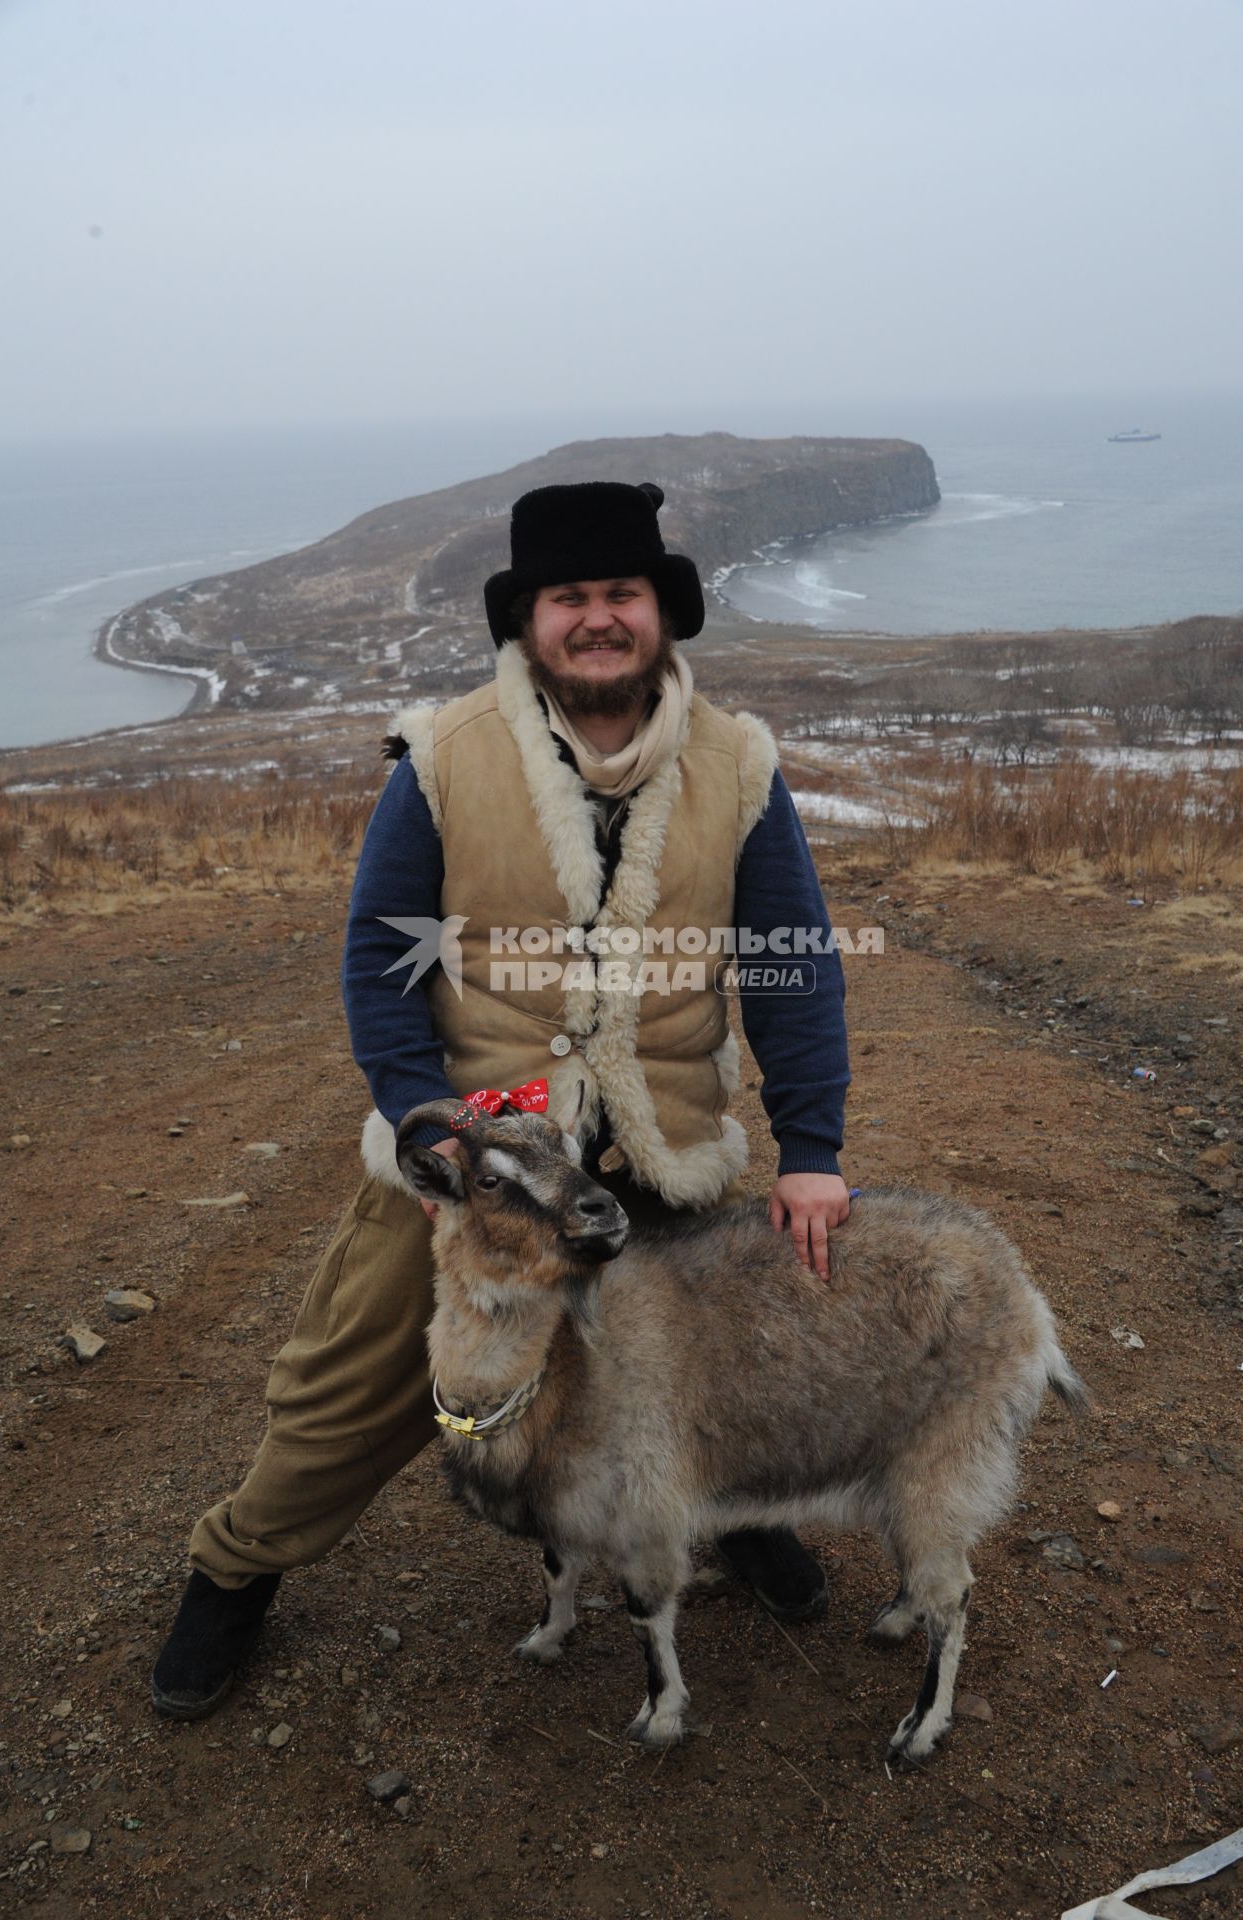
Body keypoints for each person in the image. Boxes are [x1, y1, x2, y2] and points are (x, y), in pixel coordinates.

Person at [151, 480, 851, 1720]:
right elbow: (383, 952)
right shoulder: (445, 757)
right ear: (528, 620)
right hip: (481, 1158)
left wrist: (812, 1149)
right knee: (352, 1384)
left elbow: (790, 963)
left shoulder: (740, 766)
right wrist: (426, 1124)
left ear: (660, 613)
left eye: (618, 595)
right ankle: (236, 1565)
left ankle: (724, 1521)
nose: (596, 620)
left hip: (663, 1144)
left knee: (713, 1376)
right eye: (567, 598)